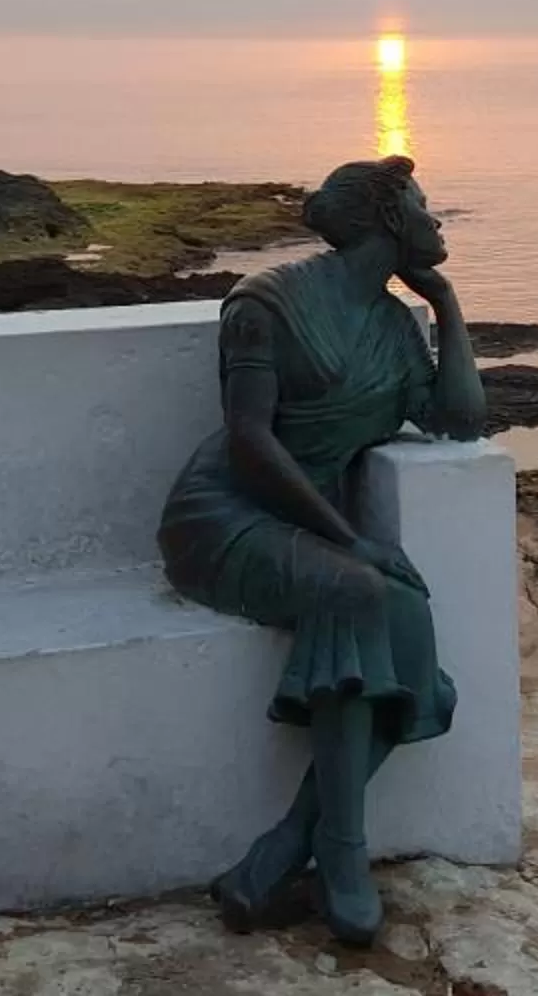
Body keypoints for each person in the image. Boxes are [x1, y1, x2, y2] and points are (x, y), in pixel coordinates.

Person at [157, 155, 488, 946]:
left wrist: (445, 304)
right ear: (387, 220)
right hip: (225, 516)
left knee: (408, 626)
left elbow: (463, 419)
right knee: (361, 590)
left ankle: (281, 850)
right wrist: (351, 541)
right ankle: (342, 852)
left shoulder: (394, 326)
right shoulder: (267, 303)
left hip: (309, 525)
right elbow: (248, 442)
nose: (437, 222)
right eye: (423, 208)